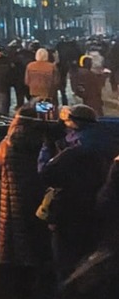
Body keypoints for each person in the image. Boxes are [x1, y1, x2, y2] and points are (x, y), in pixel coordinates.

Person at [38, 104, 115, 283]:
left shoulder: (75, 151)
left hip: (69, 214)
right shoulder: (106, 141)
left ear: (75, 124)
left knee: (65, 266)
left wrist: (47, 146)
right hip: (97, 214)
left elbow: (46, 173)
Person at [0, 104, 53, 299]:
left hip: (13, 203)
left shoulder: (8, 143)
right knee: (37, 251)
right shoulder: (42, 142)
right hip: (36, 202)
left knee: (18, 250)